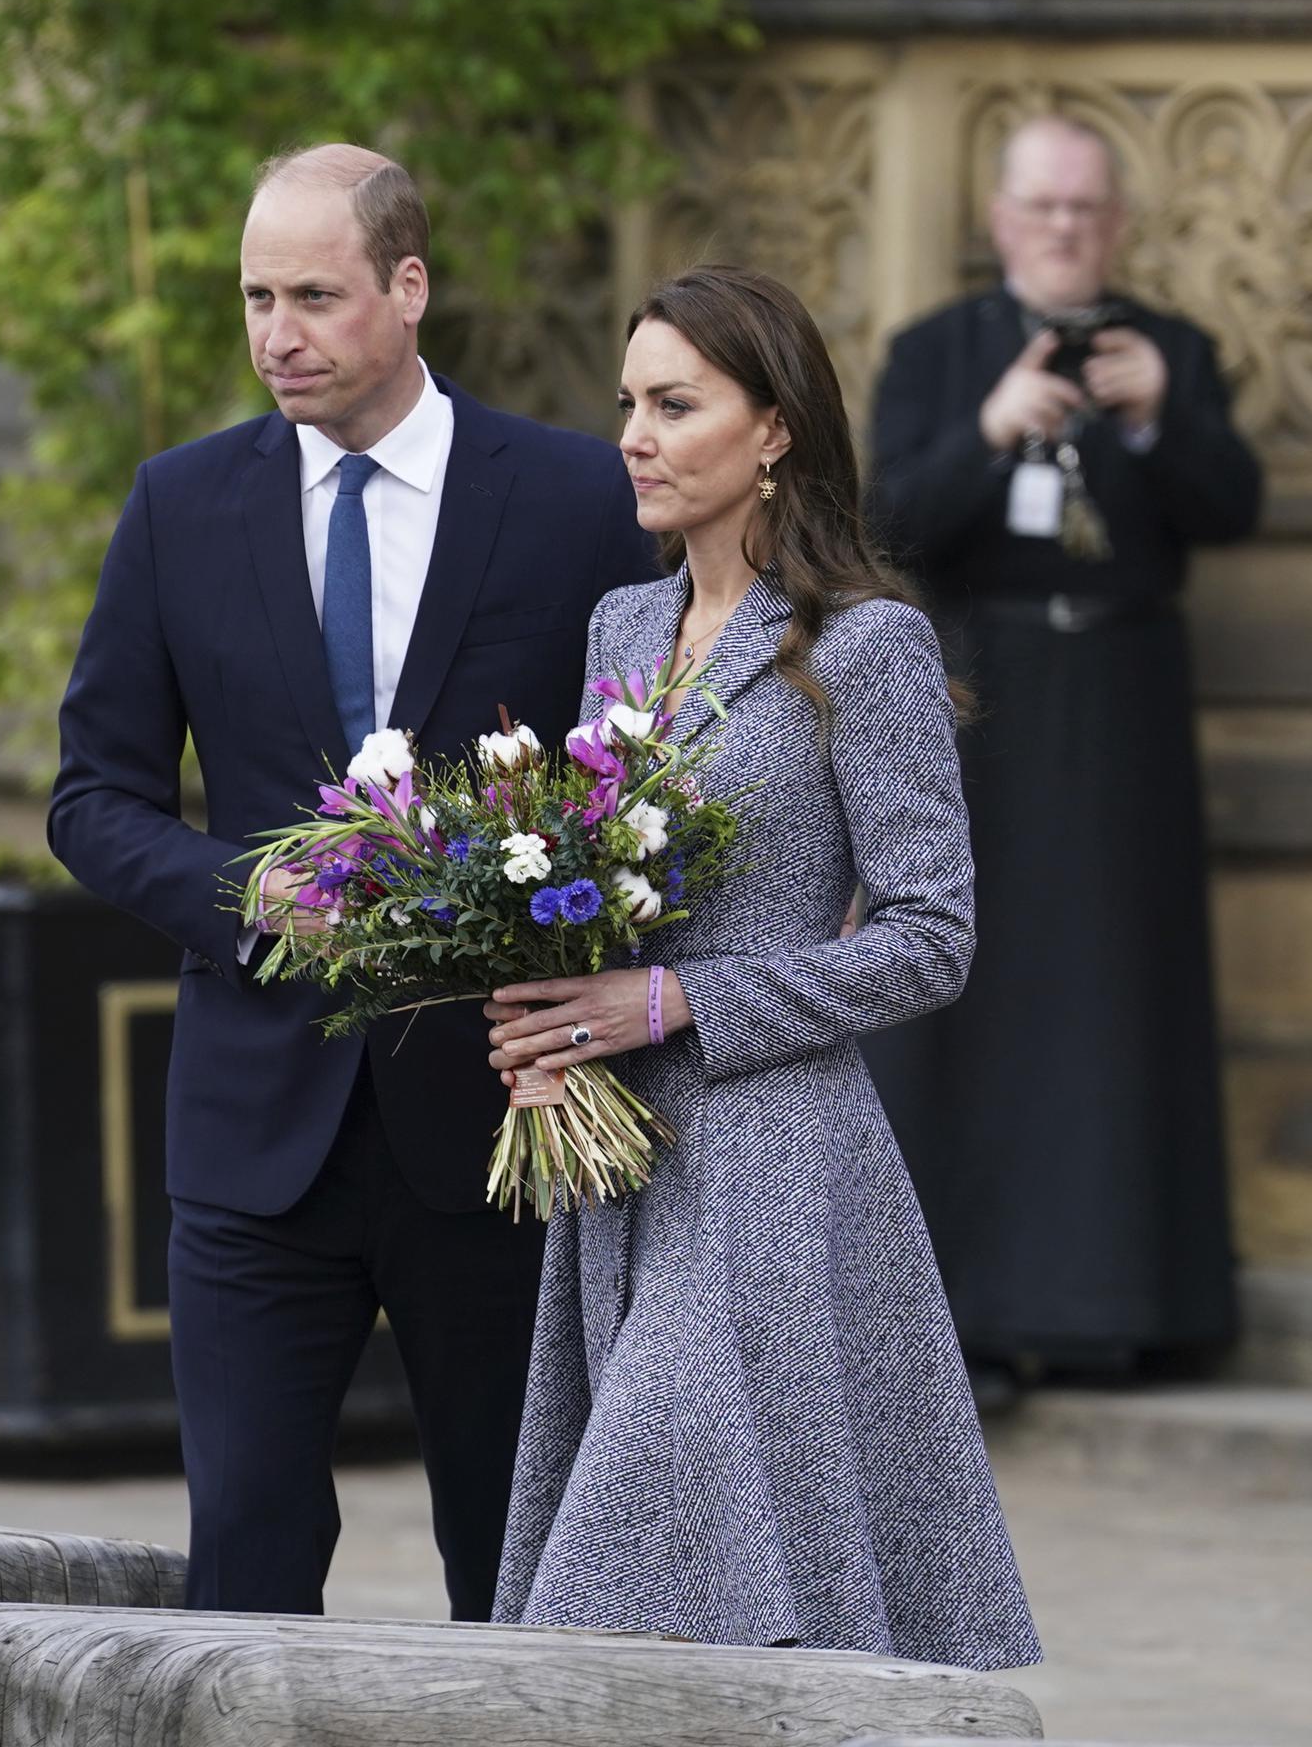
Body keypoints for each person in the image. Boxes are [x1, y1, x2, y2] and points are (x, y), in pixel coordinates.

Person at [49, 144, 655, 1619]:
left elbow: (646, 774)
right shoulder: (181, 508)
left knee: (512, 1578)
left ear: (409, 288)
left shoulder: (577, 497)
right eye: (255, 297)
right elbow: (91, 799)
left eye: (313, 295)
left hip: (501, 1124)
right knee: (244, 1559)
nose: (277, 334)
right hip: (256, 1131)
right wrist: (244, 899)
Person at [485, 264, 1038, 1671]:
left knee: (658, 1571)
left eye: (677, 404)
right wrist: (542, 1001)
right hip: (620, 1174)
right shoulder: (621, 630)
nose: (637, 435)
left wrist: (673, 1000)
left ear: (775, 430)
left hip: (780, 1168)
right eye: (629, 404)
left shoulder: (869, 647)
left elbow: (931, 937)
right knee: (679, 1604)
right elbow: (596, 889)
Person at [863, 116, 1264, 1402]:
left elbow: (1234, 508)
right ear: (998, 219)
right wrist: (988, 432)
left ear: (1119, 224)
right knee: (969, 995)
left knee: (1118, 999)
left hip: (1129, 698)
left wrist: (1156, 423)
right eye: (1042, 208)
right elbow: (883, 524)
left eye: (1086, 211)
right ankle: (962, 1308)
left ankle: (1126, 1302)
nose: (1064, 230)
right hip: (986, 696)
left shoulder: (1174, 351)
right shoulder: (938, 352)